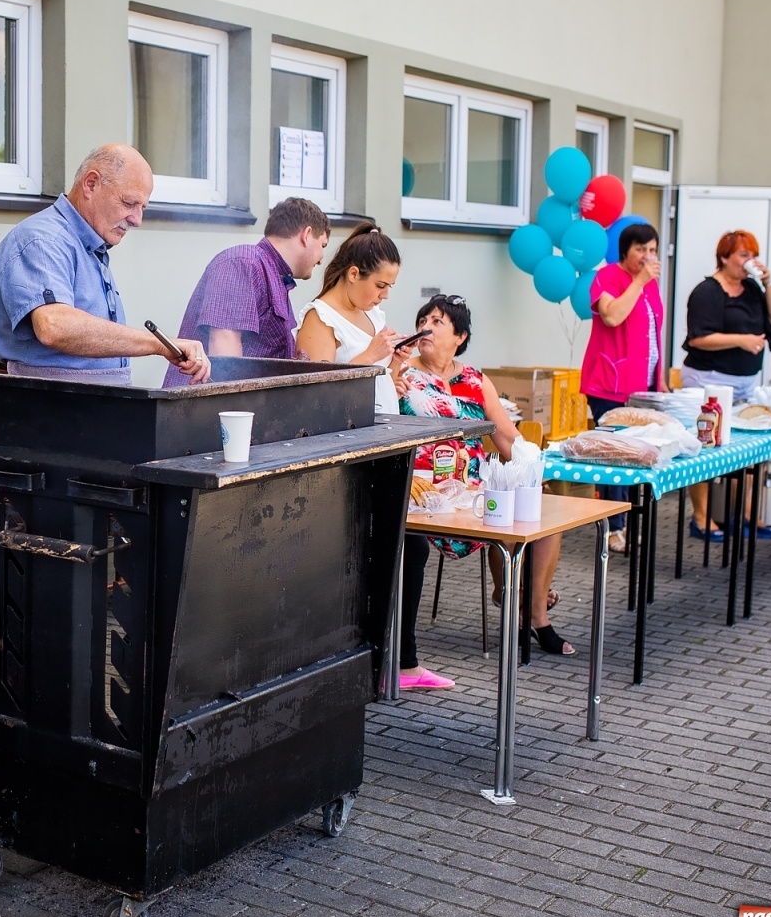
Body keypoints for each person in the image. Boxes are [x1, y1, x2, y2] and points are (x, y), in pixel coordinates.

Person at [393, 295, 574, 689]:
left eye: (437, 321)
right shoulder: (403, 374)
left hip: (470, 493)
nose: (426, 325)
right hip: (423, 495)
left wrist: (531, 479)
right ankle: (505, 593)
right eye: (423, 318)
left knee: (538, 511)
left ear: (460, 336)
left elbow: (506, 437)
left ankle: (534, 615)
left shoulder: (475, 380)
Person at [0, 144, 209, 385]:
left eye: (142, 207)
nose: (137, 220)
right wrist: (159, 344)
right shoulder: (43, 239)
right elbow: (55, 326)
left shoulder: (89, 244)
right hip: (46, 409)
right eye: (128, 203)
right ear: (91, 184)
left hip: (78, 406)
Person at [680, 230, 771, 542]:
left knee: (745, 448)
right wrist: (741, 340)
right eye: (743, 255)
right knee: (705, 445)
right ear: (724, 257)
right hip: (709, 378)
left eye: (752, 255)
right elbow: (698, 337)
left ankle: (744, 513)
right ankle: (701, 518)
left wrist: (769, 283)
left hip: (745, 381)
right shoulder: (707, 291)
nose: (748, 262)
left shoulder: (753, 289)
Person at [162, 197, 331, 386]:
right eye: (323, 245)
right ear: (307, 235)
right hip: (208, 411)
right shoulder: (242, 263)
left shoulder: (273, 275)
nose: (322, 259)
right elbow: (224, 356)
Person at [580, 222, 666, 554]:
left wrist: (662, 380)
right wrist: (639, 282)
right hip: (609, 383)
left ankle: (629, 521)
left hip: (643, 385)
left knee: (636, 453)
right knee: (613, 453)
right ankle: (612, 528)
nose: (648, 257)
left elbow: (653, 332)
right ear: (625, 252)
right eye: (641, 250)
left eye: (653, 250)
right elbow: (612, 316)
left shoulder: (653, 285)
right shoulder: (607, 277)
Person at [294, 222, 407, 415]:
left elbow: (382, 379)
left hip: (384, 427)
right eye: (380, 285)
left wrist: (395, 360)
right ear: (354, 274)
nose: (385, 295)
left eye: (390, 286)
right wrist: (370, 355)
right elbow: (317, 394)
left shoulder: (373, 313)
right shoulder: (320, 318)